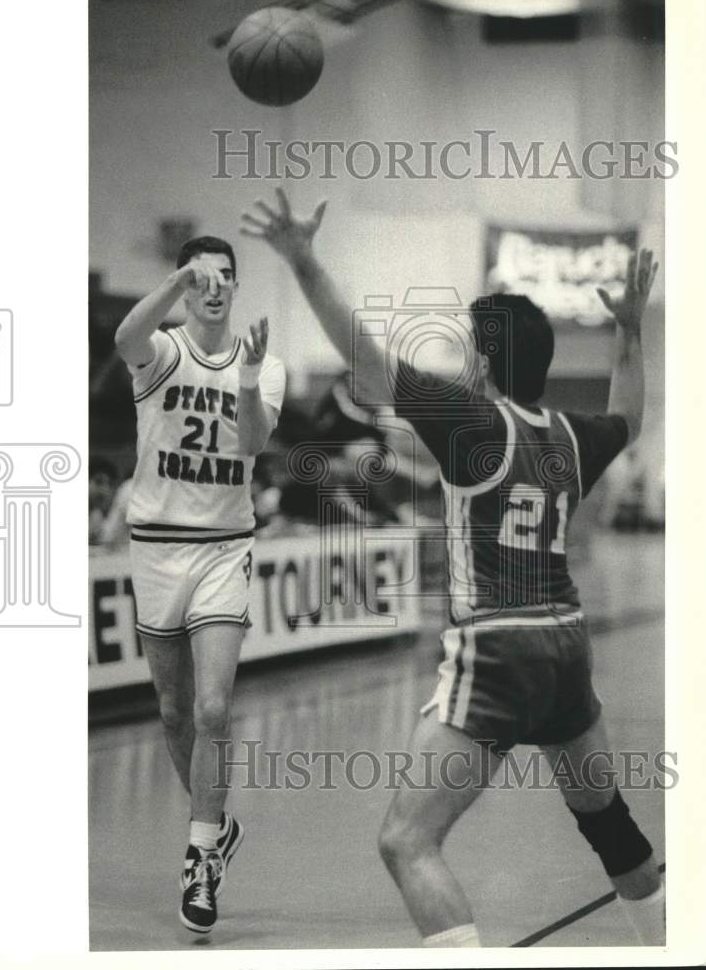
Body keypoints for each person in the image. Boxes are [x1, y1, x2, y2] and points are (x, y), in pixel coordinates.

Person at [240, 190, 664, 947]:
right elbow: (631, 416)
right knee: (608, 825)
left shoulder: (469, 418)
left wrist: (303, 260)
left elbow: (366, 367)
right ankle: (668, 940)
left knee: (406, 840)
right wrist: (628, 332)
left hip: (497, 649)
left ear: (482, 358)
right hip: (566, 641)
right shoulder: (572, 434)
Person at [113, 235, 286, 933]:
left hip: (223, 549)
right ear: (187, 286)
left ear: (236, 288)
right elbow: (125, 332)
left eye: (224, 278)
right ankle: (214, 825)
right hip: (155, 550)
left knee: (214, 709)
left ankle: (199, 858)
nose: (214, 288)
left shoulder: (264, 365)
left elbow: (251, 444)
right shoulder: (159, 351)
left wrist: (244, 378)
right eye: (201, 278)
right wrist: (176, 273)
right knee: (173, 711)